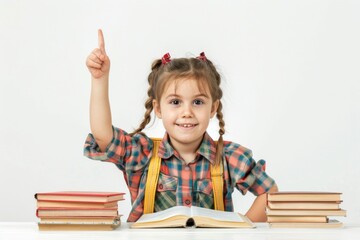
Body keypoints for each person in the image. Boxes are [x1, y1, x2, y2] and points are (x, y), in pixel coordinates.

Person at [84, 29, 278, 222]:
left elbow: (269, 193)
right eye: (176, 102)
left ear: (213, 108)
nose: (187, 112)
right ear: (158, 109)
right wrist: (99, 79)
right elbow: (103, 137)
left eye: (198, 102)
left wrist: (243, 230)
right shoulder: (141, 154)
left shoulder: (230, 157)